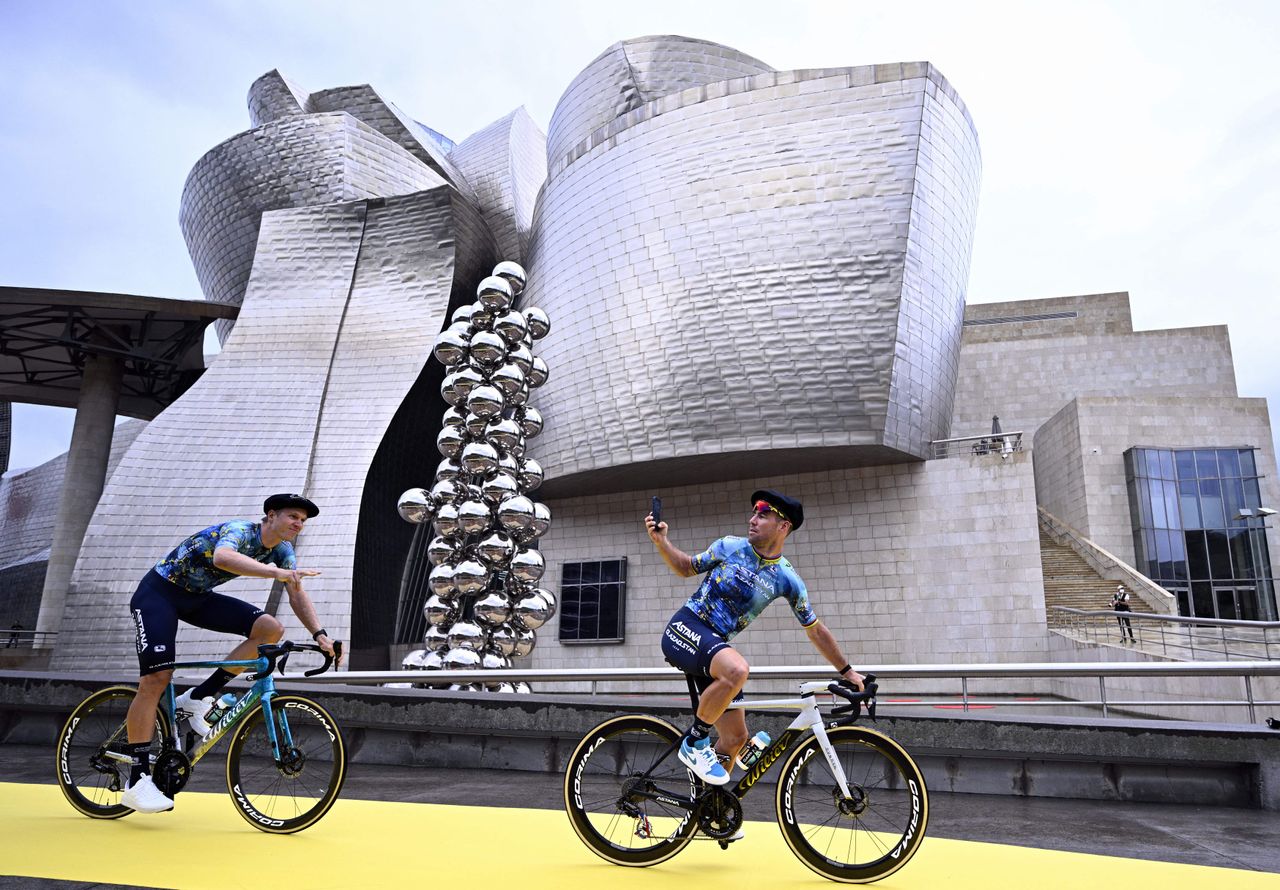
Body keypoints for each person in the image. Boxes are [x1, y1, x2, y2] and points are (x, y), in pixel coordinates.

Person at [121, 493, 341, 814]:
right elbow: (223, 558)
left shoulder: (282, 550)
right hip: (159, 594)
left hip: (196, 598)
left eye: (303, 521)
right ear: (271, 515)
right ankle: (137, 779)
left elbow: (296, 591)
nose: (298, 524)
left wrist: (320, 635)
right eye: (293, 516)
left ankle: (199, 696)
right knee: (156, 679)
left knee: (270, 629)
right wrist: (275, 573)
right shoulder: (240, 531)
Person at [647, 489, 864, 788]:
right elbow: (686, 568)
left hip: (714, 646)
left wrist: (847, 671)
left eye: (763, 514)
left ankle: (709, 808)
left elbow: (814, 629)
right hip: (686, 627)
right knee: (736, 669)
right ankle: (694, 743)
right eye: (753, 512)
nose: (752, 519)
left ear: (783, 526)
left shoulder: (786, 578)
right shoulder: (729, 546)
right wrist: (661, 541)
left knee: (736, 738)